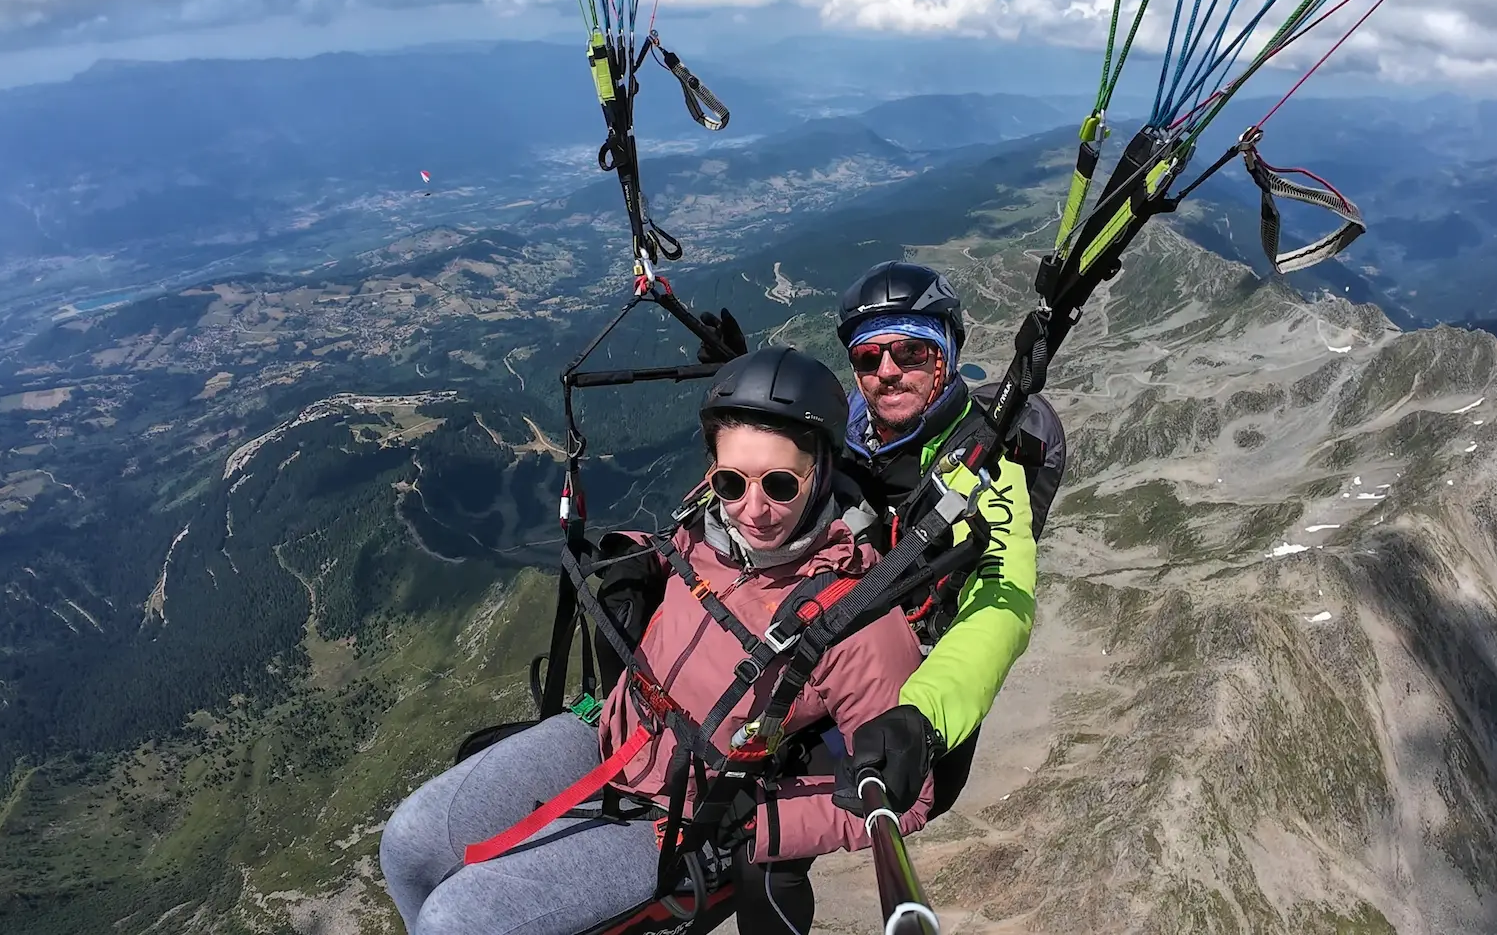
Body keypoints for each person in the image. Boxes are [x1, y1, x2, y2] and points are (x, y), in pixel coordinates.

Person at [378, 346, 935, 935]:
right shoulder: (705, 526)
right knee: (408, 844)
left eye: (779, 484)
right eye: (730, 481)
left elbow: (906, 797)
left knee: (455, 920)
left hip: (686, 815)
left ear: (820, 472)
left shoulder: (856, 618)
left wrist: (757, 826)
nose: (754, 510)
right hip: (610, 730)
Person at [828, 260, 1063, 823]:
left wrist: (923, 717)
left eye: (910, 352)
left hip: (917, 703)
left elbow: (999, 604)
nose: (887, 370)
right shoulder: (846, 434)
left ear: (945, 357)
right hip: (837, 647)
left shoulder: (992, 467)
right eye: (868, 357)